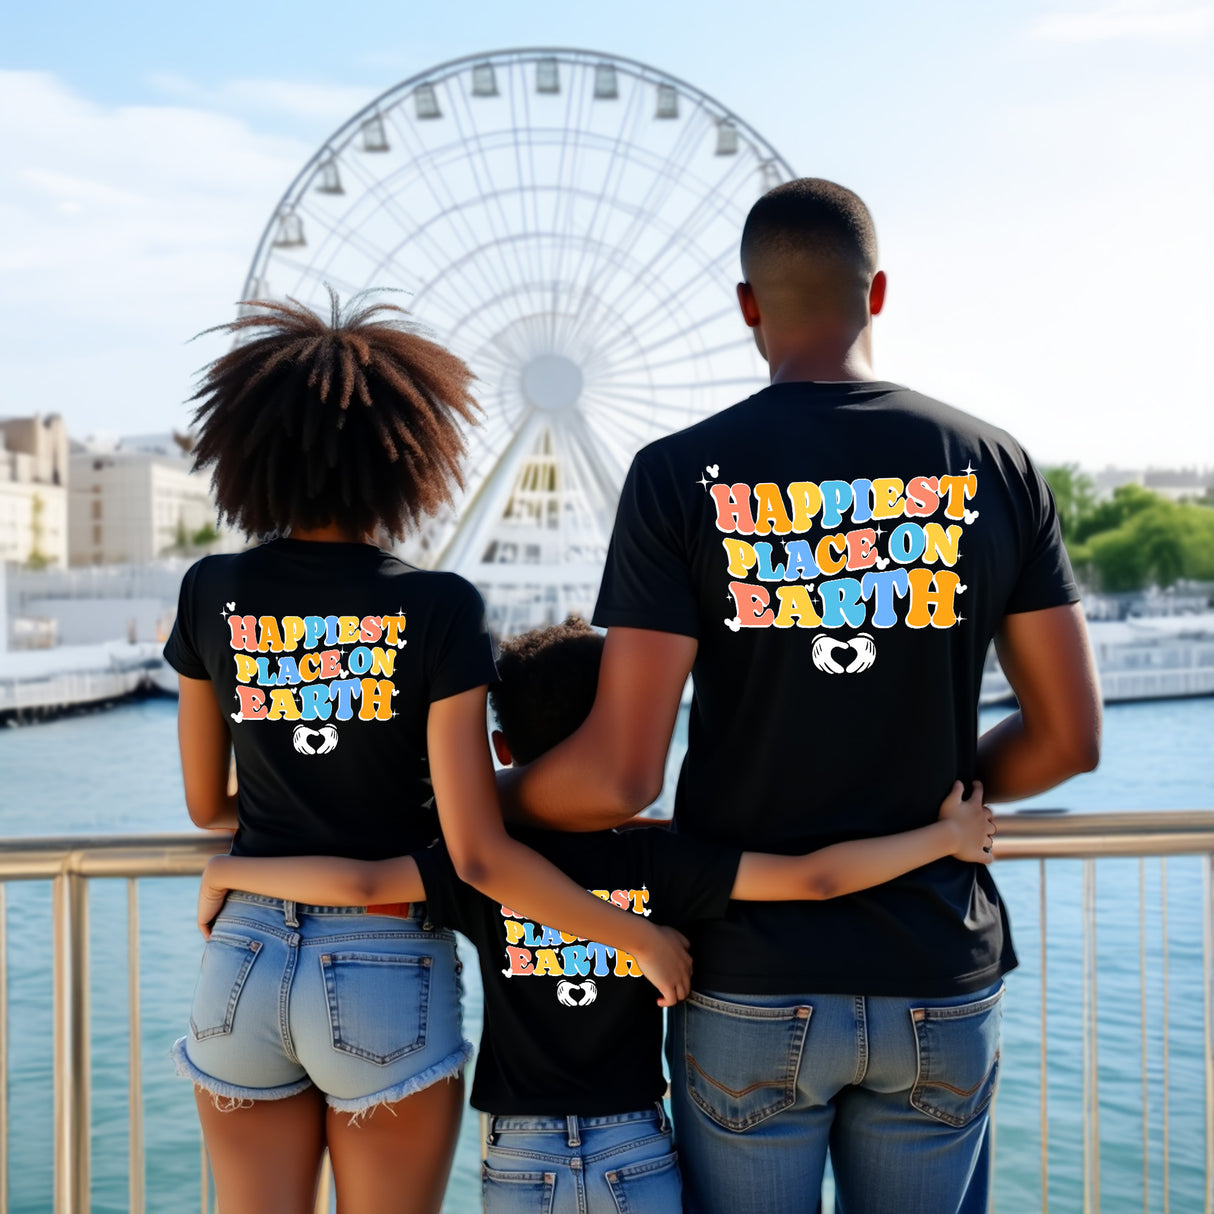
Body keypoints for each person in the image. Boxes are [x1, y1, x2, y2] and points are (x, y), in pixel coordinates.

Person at [496, 180, 1103, 1213]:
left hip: (750, 974)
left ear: (746, 307)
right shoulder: (994, 464)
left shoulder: (675, 475)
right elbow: (1067, 737)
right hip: (933, 961)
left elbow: (620, 775)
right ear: (876, 291)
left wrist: (481, 808)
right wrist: (943, 807)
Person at [164, 297, 692, 1214]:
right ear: (412, 455)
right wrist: (634, 932)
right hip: (383, 962)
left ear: (249, 447)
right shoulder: (442, 608)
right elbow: (479, 854)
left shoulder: (212, 588)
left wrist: (237, 859)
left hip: (241, 954)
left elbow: (210, 803)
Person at [194, 618, 997, 1214]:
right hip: (637, 1149)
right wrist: (943, 835)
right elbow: (817, 879)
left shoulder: (484, 869)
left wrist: (236, 868)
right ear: (619, 734)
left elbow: (365, 882)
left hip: (520, 1156)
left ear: (501, 753)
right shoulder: (661, 866)